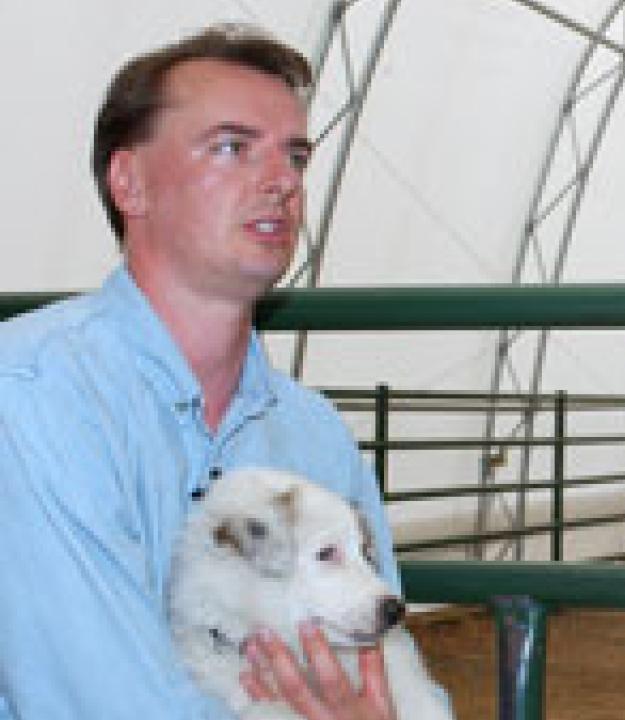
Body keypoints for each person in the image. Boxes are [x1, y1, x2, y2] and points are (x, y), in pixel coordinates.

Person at [0, 24, 446, 719]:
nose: (282, 182)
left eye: (295, 156)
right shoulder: (32, 397)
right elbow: (106, 703)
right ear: (130, 182)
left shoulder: (316, 435)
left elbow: (381, 671)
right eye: (233, 147)